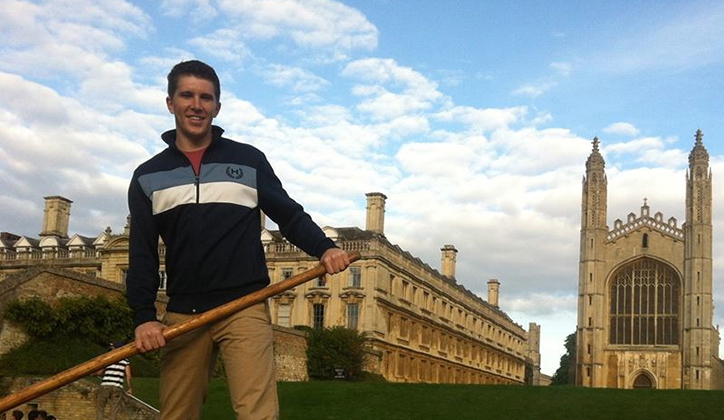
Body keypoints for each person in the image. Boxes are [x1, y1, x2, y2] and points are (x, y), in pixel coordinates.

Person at [126, 59, 351, 420]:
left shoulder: (247, 160)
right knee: (175, 415)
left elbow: (289, 216)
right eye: (187, 95)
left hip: (244, 305)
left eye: (206, 97)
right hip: (183, 313)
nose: (196, 105)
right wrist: (143, 317)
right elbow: (142, 255)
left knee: (257, 415)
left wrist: (324, 247)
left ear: (217, 106)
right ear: (170, 103)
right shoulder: (148, 176)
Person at [95, 342, 132, 420]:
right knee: (114, 409)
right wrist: (130, 388)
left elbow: (99, 372)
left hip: (105, 384)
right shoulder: (125, 361)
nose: (112, 349)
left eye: (113, 348)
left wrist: (93, 373)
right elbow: (128, 376)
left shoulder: (109, 358)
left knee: (100, 407)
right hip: (117, 386)